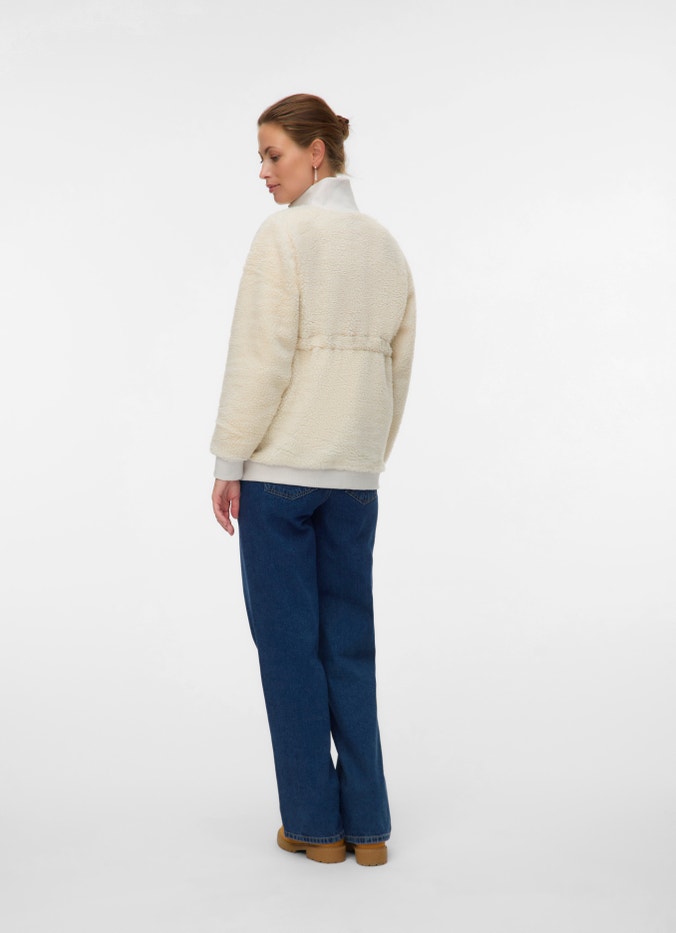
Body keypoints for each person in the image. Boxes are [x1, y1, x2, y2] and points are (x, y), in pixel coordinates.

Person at [210, 93, 415, 867]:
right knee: (350, 646)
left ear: (316, 151)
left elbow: (258, 360)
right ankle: (370, 829)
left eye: (274, 155)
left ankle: (315, 827)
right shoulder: (386, 247)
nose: (264, 173)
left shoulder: (285, 237)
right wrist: (365, 457)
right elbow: (399, 368)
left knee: (290, 651)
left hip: (282, 477)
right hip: (354, 480)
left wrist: (230, 460)